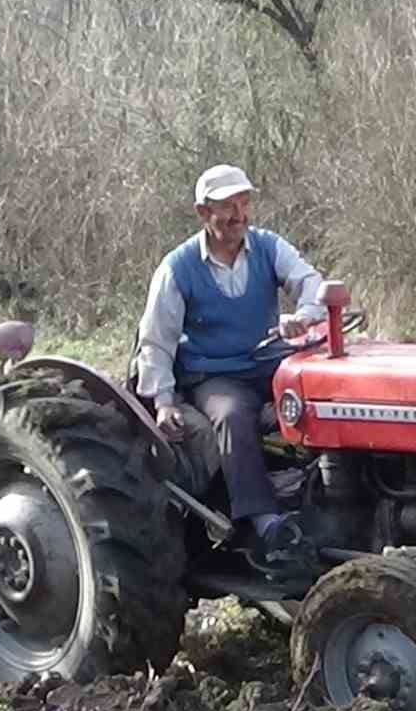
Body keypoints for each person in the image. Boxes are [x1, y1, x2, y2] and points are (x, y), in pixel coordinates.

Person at [134, 164, 325, 568]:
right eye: (228, 207)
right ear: (203, 213)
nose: (240, 215)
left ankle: (328, 502)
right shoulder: (177, 268)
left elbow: (312, 284)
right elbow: (156, 340)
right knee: (233, 414)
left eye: (244, 203)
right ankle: (264, 521)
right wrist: (163, 400)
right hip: (214, 373)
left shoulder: (269, 248)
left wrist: (305, 315)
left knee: (322, 399)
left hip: (268, 362)